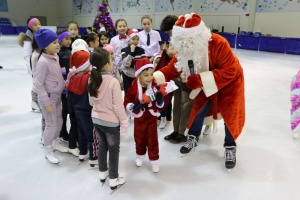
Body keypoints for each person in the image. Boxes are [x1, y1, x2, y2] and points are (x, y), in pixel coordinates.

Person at [153, 13, 245, 170]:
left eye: (184, 41)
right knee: (197, 111)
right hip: (205, 83)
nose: (181, 45)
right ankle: (193, 137)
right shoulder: (184, 47)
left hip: (229, 84)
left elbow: (231, 70)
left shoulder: (218, 43)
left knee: (231, 115)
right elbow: (174, 67)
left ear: (195, 37)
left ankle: (230, 146)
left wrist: (201, 79)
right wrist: (154, 78)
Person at [88, 48, 128, 190]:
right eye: (111, 59)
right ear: (106, 65)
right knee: (113, 149)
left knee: (102, 146)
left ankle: (102, 173)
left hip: (96, 120)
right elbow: (118, 106)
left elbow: (91, 102)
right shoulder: (113, 82)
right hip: (111, 122)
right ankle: (113, 178)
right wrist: (124, 120)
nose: (113, 61)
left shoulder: (91, 78)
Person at [124, 58, 167, 173]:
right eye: (146, 75)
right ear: (138, 75)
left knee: (152, 140)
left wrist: (159, 100)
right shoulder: (133, 88)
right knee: (139, 138)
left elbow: (161, 105)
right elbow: (126, 100)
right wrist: (132, 106)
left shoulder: (155, 86)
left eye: (151, 75)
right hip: (139, 118)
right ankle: (140, 155)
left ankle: (154, 159)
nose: (149, 78)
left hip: (152, 118)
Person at [34, 29, 69, 164]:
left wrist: (65, 82)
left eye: (57, 42)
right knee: (51, 124)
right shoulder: (43, 62)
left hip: (57, 96)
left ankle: (55, 142)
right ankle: (47, 148)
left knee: (59, 121)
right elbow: (38, 83)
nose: (58, 44)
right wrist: (46, 102)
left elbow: (57, 76)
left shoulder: (55, 57)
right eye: (54, 42)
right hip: (48, 98)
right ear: (45, 46)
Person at [66, 39, 98, 166]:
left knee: (81, 133)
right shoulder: (89, 78)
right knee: (91, 134)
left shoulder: (72, 77)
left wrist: (71, 110)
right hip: (88, 110)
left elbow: (70, 97)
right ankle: (93, 157)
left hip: (77, 111)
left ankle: (82, 153)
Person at [56, 29, 79, 156]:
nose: (69, 41)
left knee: (68, 110)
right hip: (63, 87)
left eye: (70, 39)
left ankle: (67, 132)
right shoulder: (59, 55)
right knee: (64, 110)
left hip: (70, 86)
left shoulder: (70, 53)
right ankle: (62, 131)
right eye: (66, 39)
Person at [18, 17, 41, 111]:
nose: (38, 26)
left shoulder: (40, 34)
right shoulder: (28, 38)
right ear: (30, 27)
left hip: (41, 62)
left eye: (39, 24)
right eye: (35, 25)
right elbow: (27, 55)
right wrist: (31, 70)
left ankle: (37, 101)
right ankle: (34, 102)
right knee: (37, 84)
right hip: (34, 64)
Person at [121, 28, 146, 94]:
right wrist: (131, 52)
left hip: (138, 76)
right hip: (127, 76)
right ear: (129, 39)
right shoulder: (124, 50)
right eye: (133, 39)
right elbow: (125, 63)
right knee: (128, 93)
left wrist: (132, 65)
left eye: (137, 39)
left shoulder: (141, 50)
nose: (135, 41)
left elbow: (144, 63)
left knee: (138, 94)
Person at [30, 38, 45, 142]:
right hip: (38, 90)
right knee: (46, 117)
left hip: (37, 88)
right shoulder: (37, 56)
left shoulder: (36, 54)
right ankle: (45, 136)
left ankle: (45, 136)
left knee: (46, 116)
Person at [290, 70, 300, 139]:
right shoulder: (298, 77)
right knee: (296, 114)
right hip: (298, 99)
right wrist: (295, 98)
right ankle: (295, 130)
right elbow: (294, 87)